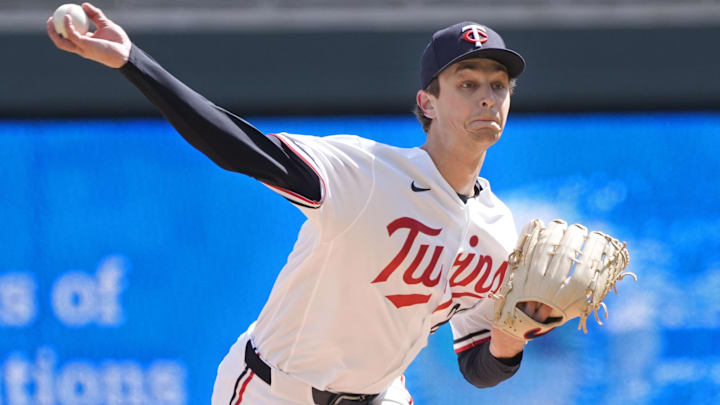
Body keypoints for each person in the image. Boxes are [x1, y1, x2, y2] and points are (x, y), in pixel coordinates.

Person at [48, 4, 555, 404]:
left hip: (381, 396)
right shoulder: (368, 173)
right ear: (428, 103)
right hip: (274, 391)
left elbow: (477, 367)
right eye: (467, 84)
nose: (487, 97)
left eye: (498, 85)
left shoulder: (497, 230)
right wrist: (133, 61)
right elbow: (240, 148)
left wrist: (512, 339)